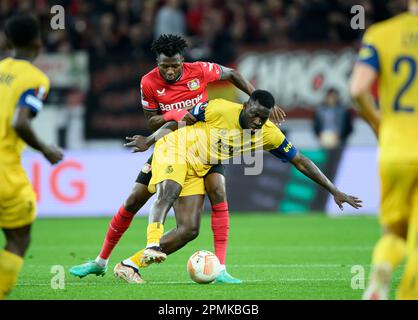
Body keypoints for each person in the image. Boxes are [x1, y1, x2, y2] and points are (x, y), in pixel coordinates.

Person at [69, 34, 286, 284]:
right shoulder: (148, 82)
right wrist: (178, 113)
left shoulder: (200, 70)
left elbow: (233, 73)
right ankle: (100, 262)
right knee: (133, 201)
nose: (170, 70)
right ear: (157, 62)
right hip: (170, 145)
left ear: (183, 60)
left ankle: (221, 267)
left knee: (217, 191)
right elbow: (152, 121)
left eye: (175, 65)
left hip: (205, 145)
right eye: (165, 66)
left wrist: (254, 98)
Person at [116, 90, 362, 283]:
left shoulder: (269, 134)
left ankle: (129, 265)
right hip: (175, 149)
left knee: (189, 230)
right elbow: (178, 120)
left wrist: (334, 190)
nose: (257, 121)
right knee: (168, 191)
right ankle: (151, 243)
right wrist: (149, 140)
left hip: (199, 167)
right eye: (254, 114)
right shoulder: (219, 108)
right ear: (246, 106)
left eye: (263, 118)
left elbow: (300, 160)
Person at [350, 0, 418, 300]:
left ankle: (381, 270)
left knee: (393, 233)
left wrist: (381, 125)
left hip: (394, 150)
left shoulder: (380, 33)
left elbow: (357, 90)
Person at [0, 13, 64, 299]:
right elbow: (20, 122)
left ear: (7, 41)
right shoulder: (36, 78)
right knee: (18, 237)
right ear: (39, 43)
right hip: (5, 171)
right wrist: (46, 149)